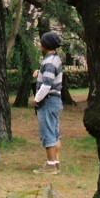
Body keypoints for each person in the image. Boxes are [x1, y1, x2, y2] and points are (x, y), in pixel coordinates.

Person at [33, 31, 64, 175]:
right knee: (55, 133)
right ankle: (56, 163)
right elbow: (48, 75)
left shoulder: (49, 62)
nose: (40, 45)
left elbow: (46, 85)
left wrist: (37, 99)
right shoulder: (54, 59)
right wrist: (39, 73)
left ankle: (50, 165)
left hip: (48, 101)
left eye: (41, 43)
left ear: (46, 45)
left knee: (48, 133)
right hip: (56, 101)